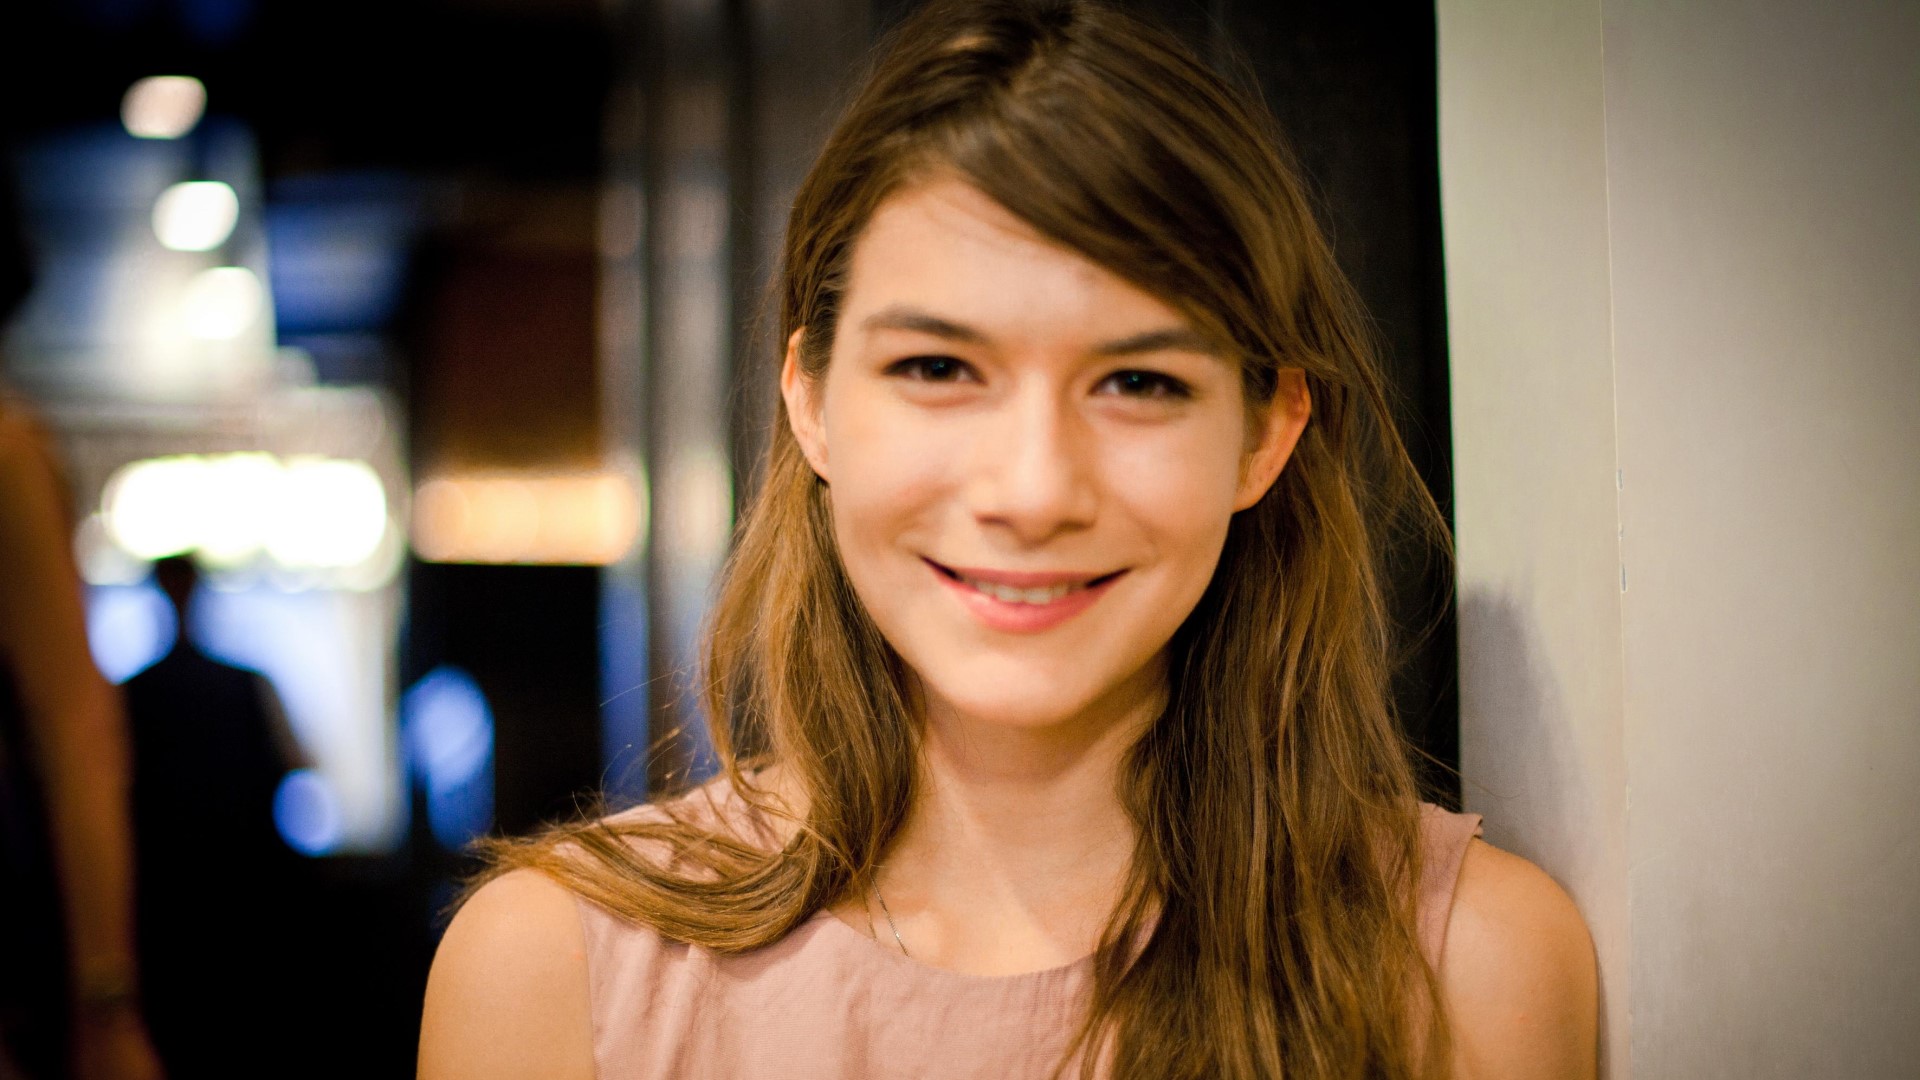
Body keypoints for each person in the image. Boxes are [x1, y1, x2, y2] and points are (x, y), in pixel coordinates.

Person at [419, 2, 1598, 1078]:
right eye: (938, 368)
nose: (1034, 491)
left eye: (1138, 383)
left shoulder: (1470, 968)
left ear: (1266, 433)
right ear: (811, 400)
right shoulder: (554, 974)